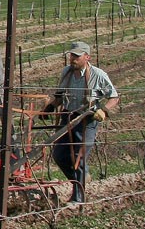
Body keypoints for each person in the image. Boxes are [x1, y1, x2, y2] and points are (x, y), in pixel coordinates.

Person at [44, 41, 119, 204]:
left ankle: (79, 197)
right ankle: (80, 181)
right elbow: (59, 96)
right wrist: (49, 108)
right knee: (59, 155)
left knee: (79, 157)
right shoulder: (67, 73)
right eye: (72, 55)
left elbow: (114, 97)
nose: (73, 59)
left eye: (77, 56)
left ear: (87, 57)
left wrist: (104, 110)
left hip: (87, 119)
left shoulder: (99, 75)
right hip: (68, 117)